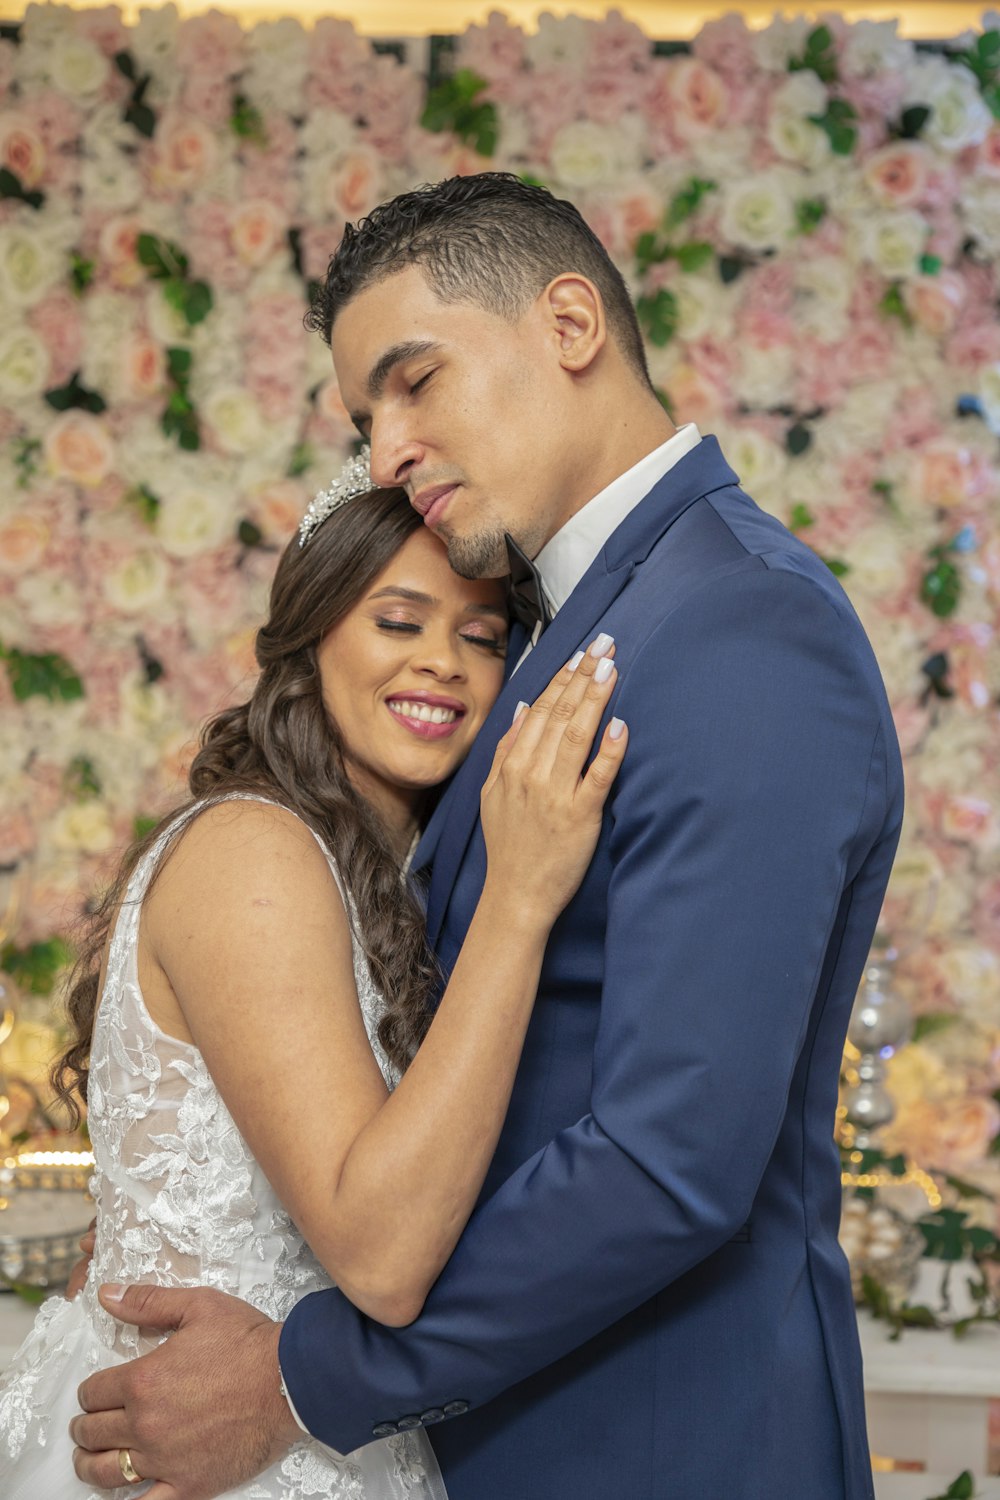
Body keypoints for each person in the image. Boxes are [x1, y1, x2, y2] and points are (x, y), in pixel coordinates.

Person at [72, 173, 903, 1500]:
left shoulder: (743, 632)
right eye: (365, 416)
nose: (387, 446)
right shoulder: (566, 632)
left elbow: (667, 1159)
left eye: (416, 381)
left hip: (659, 1445)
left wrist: (300, 1376)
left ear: (569, 323)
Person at [0, 473, 627, 1499]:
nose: (443, 661)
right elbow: (381, 1258)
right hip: (206, 1452)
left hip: (307, 1429)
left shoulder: (376, 877)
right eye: (397, 619)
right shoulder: (257, 850)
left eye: (481, 636)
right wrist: (523, 895)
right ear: (311, 634)